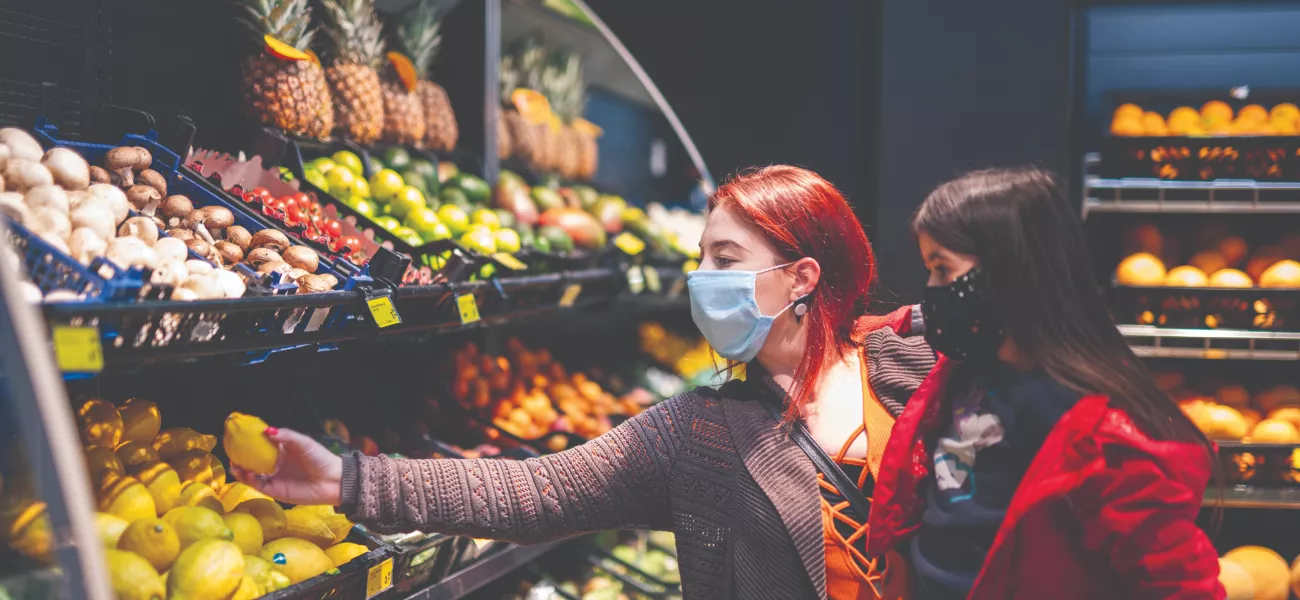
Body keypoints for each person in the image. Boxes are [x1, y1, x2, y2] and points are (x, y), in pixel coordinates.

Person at [233, 165, 935, 600]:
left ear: (802, 276)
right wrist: (346, 481)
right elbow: (537, 491)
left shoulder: (912, 361)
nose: (702, 281)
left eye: (726, 258)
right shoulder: (700, 433)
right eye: (701, 258)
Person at [865, 167, 1222, 600]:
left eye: (943, 270)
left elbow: (1176, 579)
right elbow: (912, 317)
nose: (932, 290)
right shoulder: (969, 367)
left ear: (1009, 271)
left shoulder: (1099, 428)